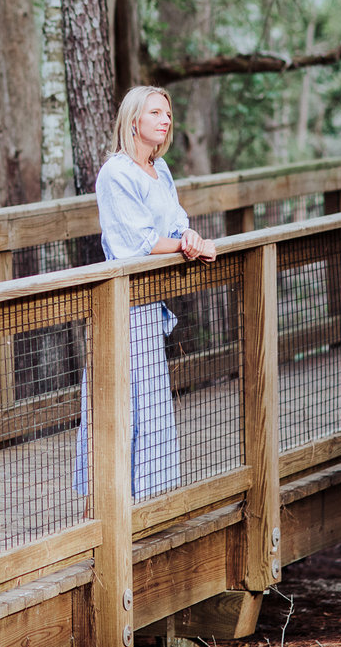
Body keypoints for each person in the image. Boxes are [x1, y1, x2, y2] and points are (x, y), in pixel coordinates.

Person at [74, 85, 217, 503]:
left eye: (168, 114)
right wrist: (189, 246)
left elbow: (175, 224)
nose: (165, 119)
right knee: (118, 403)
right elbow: (136, 241)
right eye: (155, 112)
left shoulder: (162, 169)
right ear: (133, 120)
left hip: (151, 303)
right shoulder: (116, 174)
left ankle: (148, 502)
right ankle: (104, 504)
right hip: (121, 303)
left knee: (151, 404)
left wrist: (188, 236)